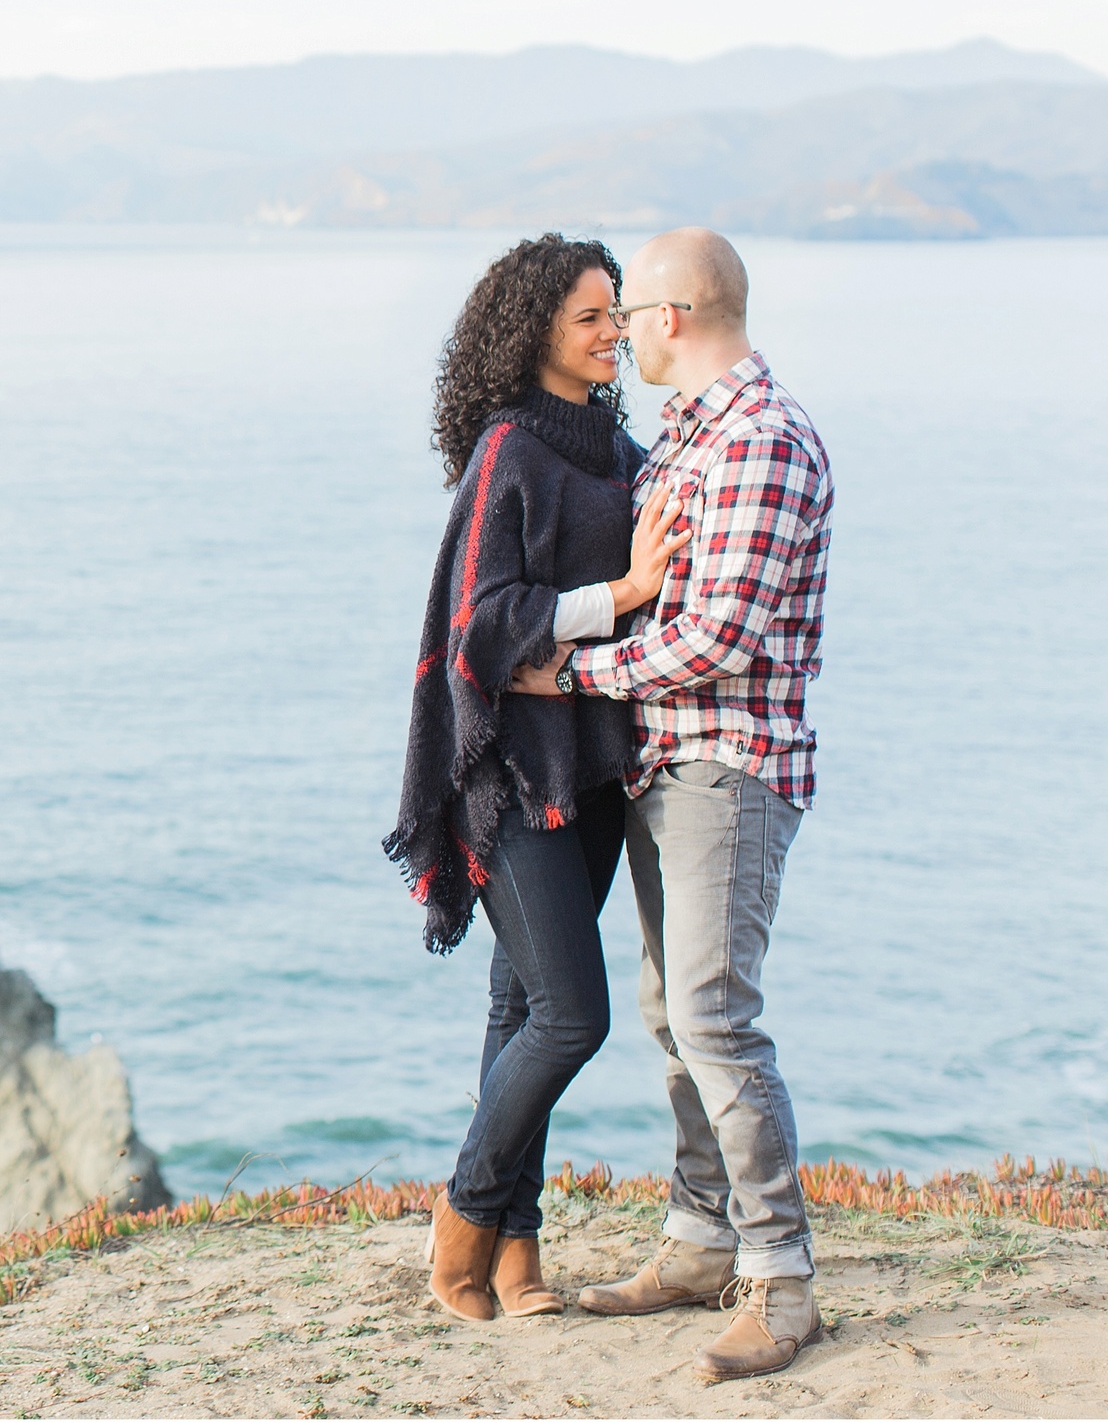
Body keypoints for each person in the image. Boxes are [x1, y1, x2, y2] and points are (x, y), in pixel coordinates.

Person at [509, 226, 834, 1383]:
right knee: (670, 1014)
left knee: (712, 1017)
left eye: (629, 314)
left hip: (726, 769)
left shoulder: (760, 440)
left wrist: (568, 671)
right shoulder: (689, 436)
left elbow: (713, 638)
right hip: (667, 763)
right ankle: (701, 1241)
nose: (619, 335)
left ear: (675, 317)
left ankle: (779, 1278)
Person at [384, 234, 687, 1323]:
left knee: (519, 1008)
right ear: (536, 335)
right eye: (591, 319)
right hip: (511, 773)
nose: (614, 332)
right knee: (572, 1015)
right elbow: (480, 623)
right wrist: (624, 590)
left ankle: (516, 1261)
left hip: (596, 765)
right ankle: (459, 1229)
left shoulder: (617, 447)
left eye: (618, 313)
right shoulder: (508, 449)